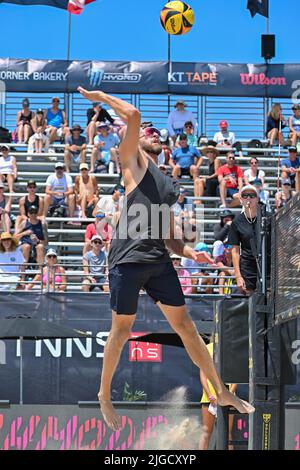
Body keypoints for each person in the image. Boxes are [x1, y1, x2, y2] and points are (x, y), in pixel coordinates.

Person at [78, 86, 254, 430]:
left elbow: (170, 237)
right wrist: (100, 97)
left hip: (157, 259)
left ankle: (221, 391)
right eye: (149, 132)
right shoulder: (132, 160)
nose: (154, 133)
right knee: (122, 329)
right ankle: (103, 394)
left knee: (186, 327)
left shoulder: (167, 183)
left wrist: (192, 253)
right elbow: (132, 116)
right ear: (137, 140)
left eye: (158, 132)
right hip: (127, 258)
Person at [199, 340, 237, 450]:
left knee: (227, 434)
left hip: (228, 399)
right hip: (209, 399)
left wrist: (229, 395)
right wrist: (210, 395)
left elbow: (237, 375)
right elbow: (202, 374)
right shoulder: (206, 348)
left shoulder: (232, 348)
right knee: (206, 432)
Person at [228, 185, 259, 295]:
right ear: (241, 199)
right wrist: (238, 276)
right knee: (250, 300)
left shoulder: (268, 218)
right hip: (247, 266)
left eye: (252, 195)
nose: (249, 198)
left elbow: (277, 247)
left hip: (267, 265)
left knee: (270, 299)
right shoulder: (237, 222)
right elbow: (235, 251)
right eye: (245, 196)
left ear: (257, 198)